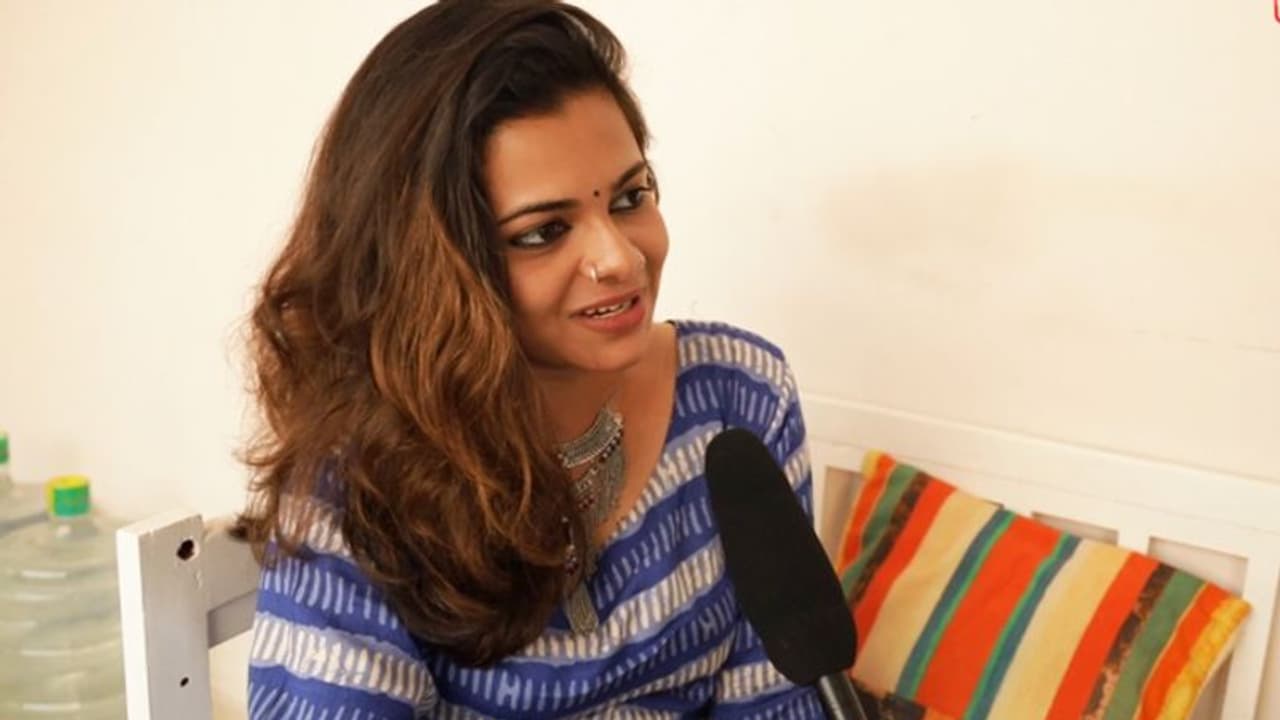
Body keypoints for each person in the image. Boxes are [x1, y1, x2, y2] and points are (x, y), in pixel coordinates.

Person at [236, 1, 825, 717]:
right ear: (429, 266)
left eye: (630, 197)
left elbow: (778, 698)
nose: (619, 257)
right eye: (544, 232)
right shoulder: (359, 483)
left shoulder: (741, 402)